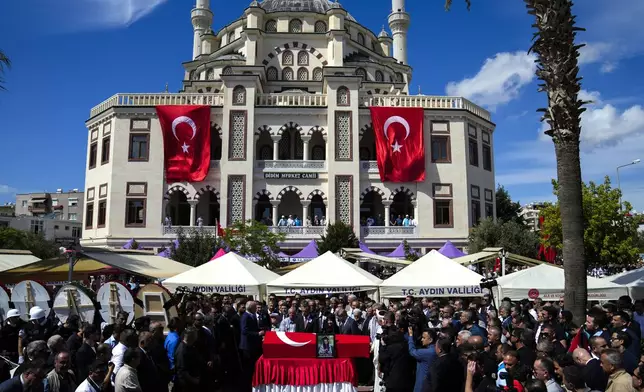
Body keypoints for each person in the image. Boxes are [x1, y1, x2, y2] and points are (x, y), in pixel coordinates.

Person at [239, 301, 264, 391]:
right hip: (247, 347)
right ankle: (247, 387)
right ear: (251, 308)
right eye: (255, 307)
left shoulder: (252, 315)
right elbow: (244, 331)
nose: (256, 308)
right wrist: (257, 334)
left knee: (252, 367)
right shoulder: (245, 316)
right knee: (248, 369)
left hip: (253, 346)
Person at [407, 327, 436, 392]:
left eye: (424, 338)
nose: (421, 340)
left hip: (422, 385)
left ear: (430, 340)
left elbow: (412, 351)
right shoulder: (435, 349)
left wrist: (411, 336)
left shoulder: (428, 352)